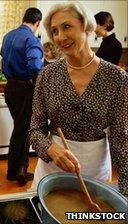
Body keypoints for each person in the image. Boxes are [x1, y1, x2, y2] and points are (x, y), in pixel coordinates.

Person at [29, 1, 128, 198]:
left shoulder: (117, 79)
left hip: (95, 171)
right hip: (51, 170)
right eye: (54, 31)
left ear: (86, 26)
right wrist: (51, 148)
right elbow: (35, 130)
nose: (60, 37)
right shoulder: (47, 76)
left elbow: (121, 140)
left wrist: (126, 190)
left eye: (66, 27)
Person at [0, 7, 43, 186]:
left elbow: (3, 60)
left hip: (10, 87)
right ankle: (17, 171)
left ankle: (17, 170)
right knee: (22, 131)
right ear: (37, 23)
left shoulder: (8, 36)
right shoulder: (31, 39)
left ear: (24, 18)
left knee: (21, 129)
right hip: (25, 89)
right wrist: (37, 83)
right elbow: (34, 66)